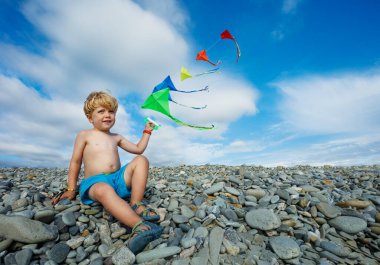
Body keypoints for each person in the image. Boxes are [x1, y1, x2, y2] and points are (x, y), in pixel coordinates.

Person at [52, 91, 162, 254]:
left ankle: (136, 203)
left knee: (141, 160)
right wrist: (70, 189)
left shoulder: (116, 137)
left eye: (111, 111)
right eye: (101, 111)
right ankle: (139, 226)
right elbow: (75, 162)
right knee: (104, 189)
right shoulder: (84, 135)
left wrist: (147, 131)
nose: (107, 115)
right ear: (90, 118)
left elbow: (138, 149)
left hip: (117, 179)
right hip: (95, 182)